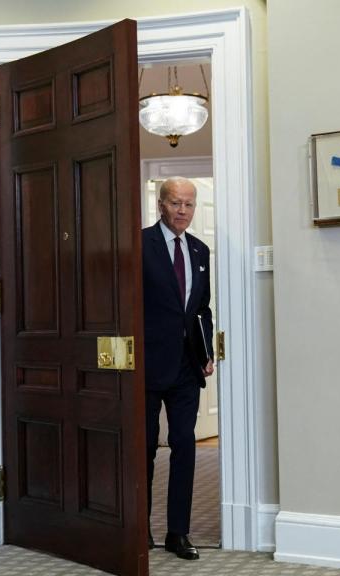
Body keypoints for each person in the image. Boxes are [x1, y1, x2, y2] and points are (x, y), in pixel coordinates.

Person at [142, 177, 214, 561]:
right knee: (145, 449)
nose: (183, 210)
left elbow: (201, 308)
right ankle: (139, 529)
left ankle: (178, 533)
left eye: (189, 203)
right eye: (175, 203)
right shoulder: (139, 245)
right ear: (161, 204)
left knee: (185, 446)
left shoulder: (201, 251)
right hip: (148, 367)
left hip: (187, 368)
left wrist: (205, 352)